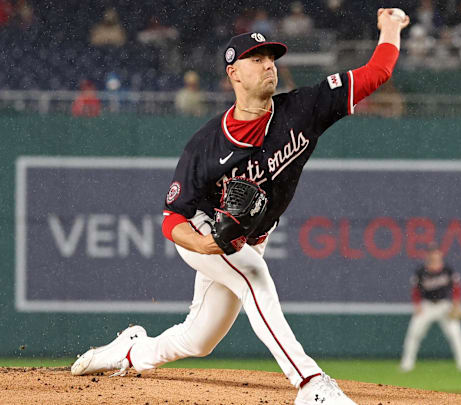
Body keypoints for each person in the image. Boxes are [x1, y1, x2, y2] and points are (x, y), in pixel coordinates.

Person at [71, 8, 410, 405]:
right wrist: (205, 244)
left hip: (250, 236)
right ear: (234, 73)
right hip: (203, 230)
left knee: (198, 339)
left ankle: (129, 350)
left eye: (271, 59)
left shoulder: (303, 109)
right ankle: (310, 384)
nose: (269, 65)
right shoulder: (206, 145)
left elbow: (377, 72)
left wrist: (389, 27)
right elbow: (171, 219)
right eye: (257, 59)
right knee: (254, 276)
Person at [400, 245, 461, 373]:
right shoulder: (421, 271)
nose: (434, 256)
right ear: (427, 255)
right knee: (414, 334)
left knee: (456, 334)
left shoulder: (448, 270)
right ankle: (407, 364)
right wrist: (417, 305)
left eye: (436, 253)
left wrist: (456, 303)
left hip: (444, 306)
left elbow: (456, 287)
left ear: (440, 254)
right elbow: (415, 290)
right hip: (427, 305)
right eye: (431, 253)